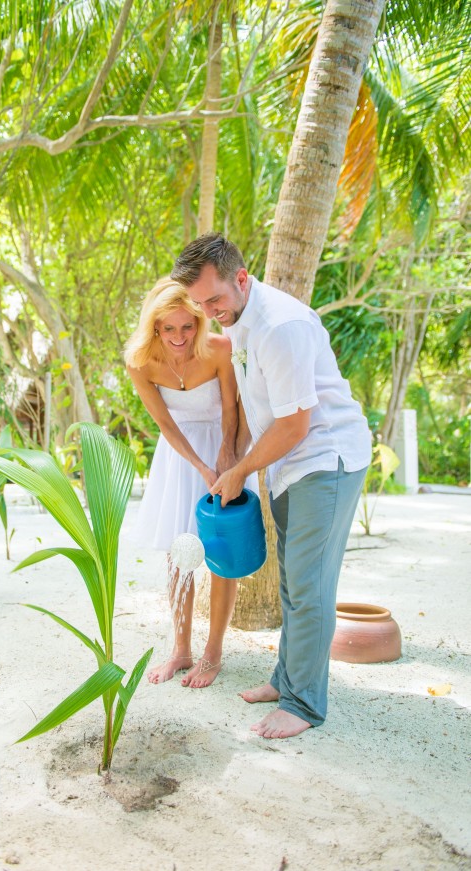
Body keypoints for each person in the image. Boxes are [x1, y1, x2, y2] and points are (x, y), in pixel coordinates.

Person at [171, 233, 372, 737]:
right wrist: (230, 457)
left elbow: (294, 425)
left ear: (241, 278)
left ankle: (303, 705)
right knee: (292, 583)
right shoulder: (238, 319)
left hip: (325, 461)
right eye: (199, 303)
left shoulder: (280, 326)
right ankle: (287, 680)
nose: (209, 311)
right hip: (288, 465)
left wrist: (240, 472)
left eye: (213, 299)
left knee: (310, 586)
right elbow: (253, 408)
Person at [125, 277, 254, 688]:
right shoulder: (140, 362)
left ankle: (212, 655)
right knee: (180, 556)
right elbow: (164, 423)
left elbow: (233, 407)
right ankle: (181, 651)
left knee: (221, 555)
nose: (180, 336)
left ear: (198, 322)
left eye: (188, 326)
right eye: (169, 328)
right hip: (179, 456)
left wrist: (227, 459)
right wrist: (199, 465)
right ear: (155, 328)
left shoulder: (219, 348)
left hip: (223, 446)